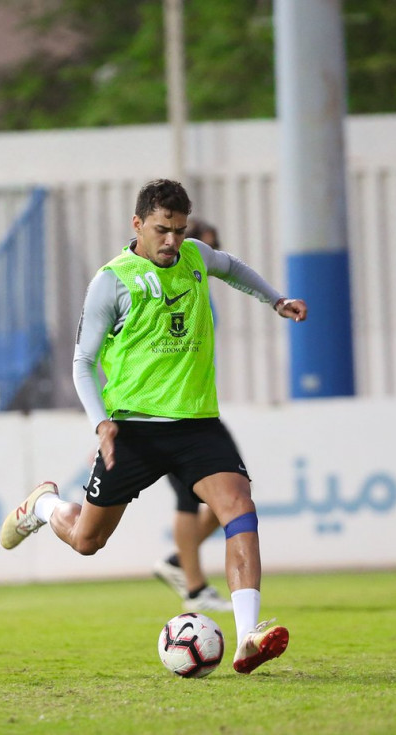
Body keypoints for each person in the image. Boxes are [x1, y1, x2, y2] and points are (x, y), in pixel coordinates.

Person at [0, 178, 308, 673]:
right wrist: (100, 424)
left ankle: (249, 632)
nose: (172, 242)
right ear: (138, 225)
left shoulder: (194, 257)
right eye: (163, 230)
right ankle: (44, 503)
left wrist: (274, 299)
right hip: (132, 431)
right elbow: (82, 363)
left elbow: (231, 267)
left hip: (196, 424)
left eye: (180, 231)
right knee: (87, 541)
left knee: (239, 508)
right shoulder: (111, 281)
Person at [153, 216, 232, 613]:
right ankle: (195, 588)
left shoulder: (200, 290)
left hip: (198, 409)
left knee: (231, 496)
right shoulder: (165, 287)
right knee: (190, 498)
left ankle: (176, 563)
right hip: (165, 412)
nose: (211, 254)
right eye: (206, 245)